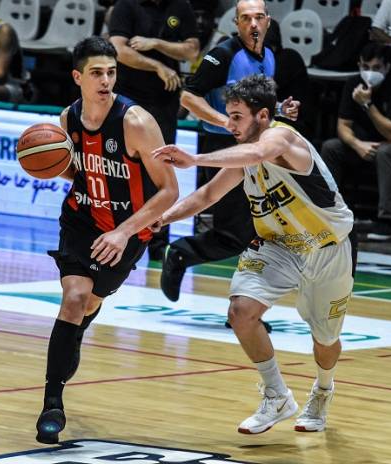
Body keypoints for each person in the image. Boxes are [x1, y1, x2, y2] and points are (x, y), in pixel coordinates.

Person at [152, 74, 355, 434]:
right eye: (228, 115)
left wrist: (195, 158)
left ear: (262, 116)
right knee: (240, 312)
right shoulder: (244, 152)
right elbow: (207, 195)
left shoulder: (281, 138)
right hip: (278, 246)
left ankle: (323, 390)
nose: (229, 124)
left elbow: (261, 152)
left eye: (236, 117)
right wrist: (162, 218)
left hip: (325, 248)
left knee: (325, 340)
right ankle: (276, 396)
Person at [35, 36, 179, 445]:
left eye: (111, 73)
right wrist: (46, 164)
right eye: (96, 73)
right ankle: (51, 405)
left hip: (128, 228)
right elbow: (72, 169)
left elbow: (169, 191)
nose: (105, 81)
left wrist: (122, 232)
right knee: (74, 297)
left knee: (90, 303)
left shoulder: (136, 123)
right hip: (81, 219)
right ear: (77, 77)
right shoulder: (67, 119)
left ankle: (77, 331)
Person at [161, 0, 300, 302]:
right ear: (236, 23)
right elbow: (188, 97)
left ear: (268, 22)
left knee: (260, 232)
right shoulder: (222, 54)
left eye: (259, 17)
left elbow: (255, 107)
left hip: (257, 149)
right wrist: (227, 122)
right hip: (224, 145)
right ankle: (182, 253)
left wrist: (279, 109)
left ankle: (245, 310)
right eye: (246, 18)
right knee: (234, 234)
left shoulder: (269, 56)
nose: (253, 24)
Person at [109, 0, 201, 260]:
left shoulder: (180, 6)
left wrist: (156, 44)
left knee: (161, 172)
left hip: (163, 102)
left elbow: (192, 51)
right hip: (126, 99)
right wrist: (157, 65)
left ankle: (158, 244)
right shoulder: (126, 5)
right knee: (120, 169)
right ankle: (116, 233)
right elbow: (118, 50)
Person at [320, 43, 391, 240]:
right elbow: (343, 126)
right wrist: (357, 145)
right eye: (365, 67)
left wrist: (367, 104)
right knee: (331, 147)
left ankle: (388, 221)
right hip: (369, 144)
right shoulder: (353, 83)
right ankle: (331, 214)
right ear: (359, 65)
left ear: (387, 67)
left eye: (376, 68)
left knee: (386, 152)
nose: (370, 73)